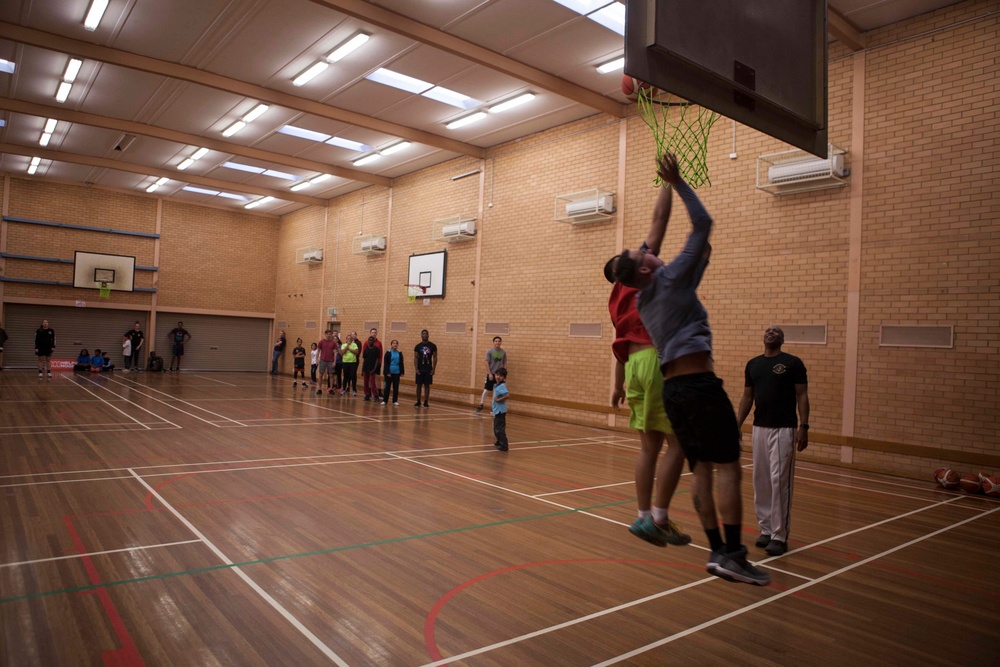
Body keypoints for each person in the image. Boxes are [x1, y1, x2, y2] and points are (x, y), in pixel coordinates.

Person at [609, 151, 770, 586]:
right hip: (697, 385)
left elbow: (683, 277)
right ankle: (729, 552)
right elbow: (702, 225)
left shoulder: (642, 298)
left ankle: (710, 546)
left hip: (672, 388)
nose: (647, 249)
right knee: (729, 467)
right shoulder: (668, 277)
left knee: (697, 466)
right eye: (641, 252)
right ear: (644, 266)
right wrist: (676, 181)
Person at [606, 274, 691, 547]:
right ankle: (660, 520)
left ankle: (642, 516)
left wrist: (618, 387)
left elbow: (620, 352)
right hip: (655, 360)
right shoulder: (646, 288)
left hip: (633, 363)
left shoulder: (617, 304)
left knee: (648, 448)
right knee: (678, 443)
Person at [736, 325, 810, 557]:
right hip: (759, 429)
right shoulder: (753, 364)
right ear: (763, 337)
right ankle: (766, 529)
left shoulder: (793, 363)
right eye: (768, 330)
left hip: (784, 429)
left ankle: (779, 535)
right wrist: (736, 425)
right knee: (761, 480)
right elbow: (747, 397)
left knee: (779, 482)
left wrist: (804, 426)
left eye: (776, 331)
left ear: (782, 339)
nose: (771, 332)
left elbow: (802, 395)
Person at [476, 336, 507, 412]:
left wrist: (504, 376)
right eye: (496, 341)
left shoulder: (503, 352)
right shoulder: (489, 351)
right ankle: (481, 404)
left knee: (496, 392)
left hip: (499, 375)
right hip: (491, 374)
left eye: (499, 341)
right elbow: (486, 363)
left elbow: (504, 363)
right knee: (486, 390)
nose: (497, 342)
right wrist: (489, 374)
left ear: (501, 342)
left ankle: (493, 408)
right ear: (493, 343)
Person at [413, 329, 437, 408]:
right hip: (420, 368)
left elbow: (435, 357)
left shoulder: (432, 346)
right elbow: (415, 358)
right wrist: (416, 368)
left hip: (428, 369)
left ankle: (426, 401)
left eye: (426, 334)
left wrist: (433, 369)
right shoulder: (418, 346)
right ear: (421, 335)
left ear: (428, 335)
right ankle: (418, 401)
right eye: (423, 334)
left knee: (427, 385)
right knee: (419, 385)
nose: (424, 335)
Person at [362, 328, 384, 400]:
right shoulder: (366, 343)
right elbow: (364, 356)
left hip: (375, 365)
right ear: (370, 333)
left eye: (375, 332)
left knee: (375, 380)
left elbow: (380, 354)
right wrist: (363, 368)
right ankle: (367, 394)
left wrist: (379, 363)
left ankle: (377, 393)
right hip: (367, 366)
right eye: (372, 332)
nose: (374, 333)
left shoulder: (379, 343)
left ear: (376, 333)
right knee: (366, 381)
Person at [492, 368, 510, 451]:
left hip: (501, 411)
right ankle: (499, 440)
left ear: (504, 378)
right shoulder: (497, 385)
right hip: (497, 411)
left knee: (499, 429)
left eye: (501, 376)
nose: (498, 377)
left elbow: (507, 395)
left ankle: (504, 445)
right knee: (496, 428)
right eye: (497, 375)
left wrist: (498, 400)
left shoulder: (502, 386)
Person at [382, 339, 404, 406]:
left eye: (396, 343)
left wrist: (402, 371)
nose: (395, 344)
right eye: (394, 343)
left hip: (397, 372)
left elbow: (401, 363)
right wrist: (387, 372)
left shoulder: (399, 353)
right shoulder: (388, 353)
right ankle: (385, 400)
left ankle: (395, 400)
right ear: (391, 345)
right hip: (389, 372)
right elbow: (386, 363)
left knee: (396, 387)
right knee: (387, 387)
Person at [316, 330, 338, 396]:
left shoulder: (333, 343)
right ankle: (319, 389)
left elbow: (335, 353)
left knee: (331, 375)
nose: (329, 335)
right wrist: (317, 359)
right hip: (323, 360)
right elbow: (318, 351)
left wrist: (334, 361)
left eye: (330, 334)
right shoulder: (321, 342)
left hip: (330, 361)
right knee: (320, 374)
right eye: (327, 334)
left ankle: (330, 389)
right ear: (325, 334)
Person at [340, 332, 360, 396]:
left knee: (353, 376)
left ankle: (354, 390)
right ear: (346, 339)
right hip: (345, 362)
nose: (349, 339)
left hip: (353, 363)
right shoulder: (343, 345)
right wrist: (347, 346)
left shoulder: (354, 345)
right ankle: (344, 389)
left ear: (352, 339)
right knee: (345, 376)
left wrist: (349, 349)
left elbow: (356, 352)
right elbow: (342, 352)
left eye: (350, 338)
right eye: (348, 338)